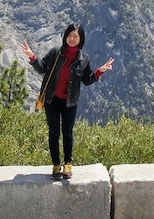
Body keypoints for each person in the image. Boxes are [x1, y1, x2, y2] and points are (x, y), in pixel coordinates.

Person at [20, 23, 114, 180]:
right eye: (69, 36)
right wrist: (32, 56)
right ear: (65, 37)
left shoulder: (84, 59)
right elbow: (42, 68)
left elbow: (87, 80)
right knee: (54, 132)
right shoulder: (55, 53)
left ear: (81, 39)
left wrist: (100, 71)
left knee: (68, 133)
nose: (72, 39)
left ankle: (68, 165)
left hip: (70, 102)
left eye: (75, 36)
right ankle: (56, 166)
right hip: (52, 100)